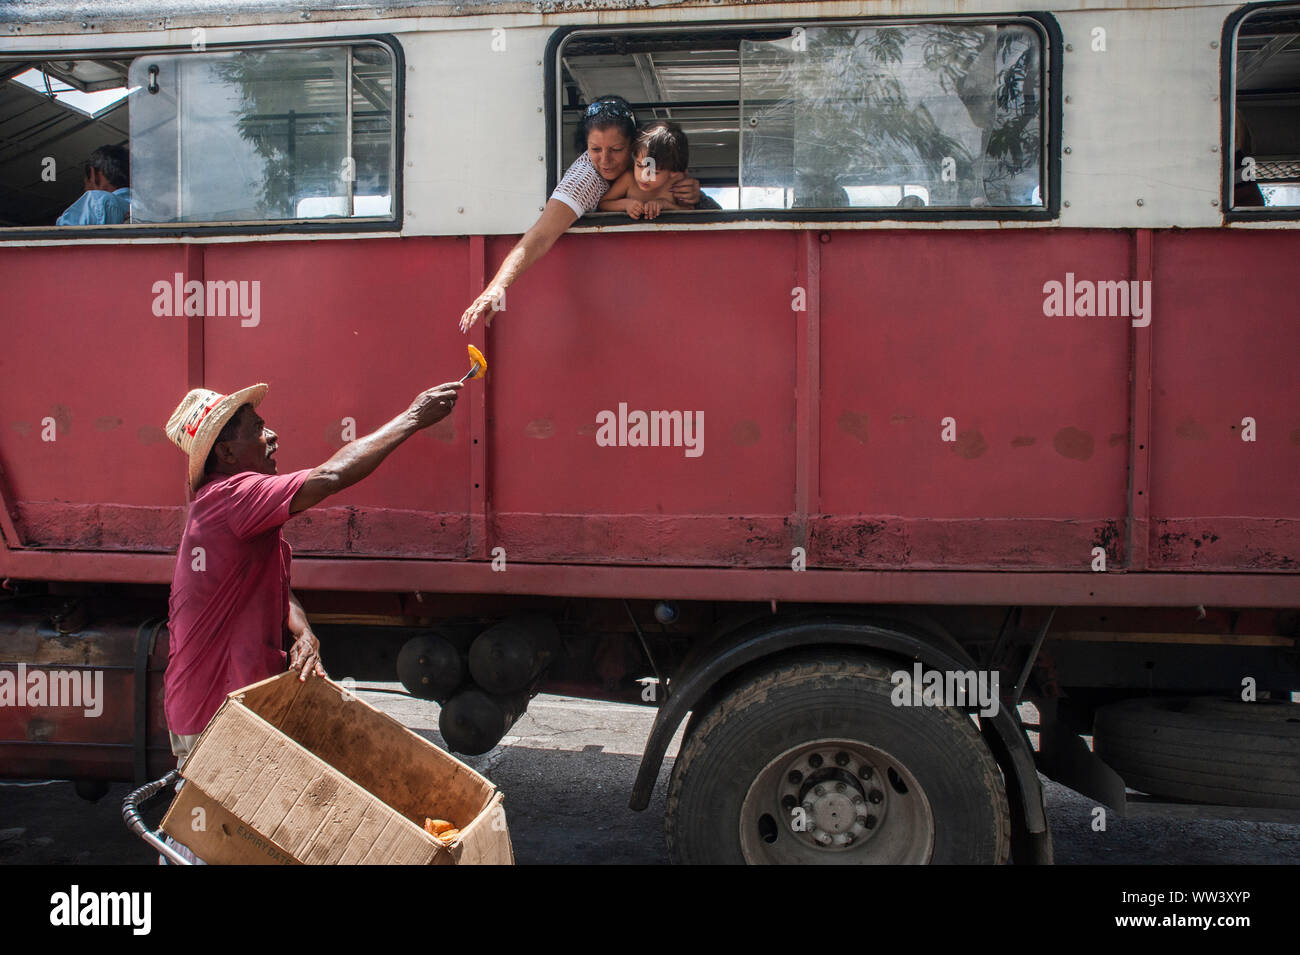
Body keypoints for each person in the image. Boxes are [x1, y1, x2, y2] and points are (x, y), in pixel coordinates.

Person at [161, 379, 462, 767]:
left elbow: (277, 590)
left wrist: (304, 633)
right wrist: (414, 417)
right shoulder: (234, 495)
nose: (272, 437)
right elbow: (329, 477)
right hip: (215, 713)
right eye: (257, 430)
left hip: (230, 707)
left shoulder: (231, 505)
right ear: (228, 452)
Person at [458, 96, 703, 332]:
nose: (605, 160)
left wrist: (695, 195)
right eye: (595, 149)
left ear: (633, 147)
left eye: (616, 149)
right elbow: (542, 234)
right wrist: (497, 287)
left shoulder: (649, 160)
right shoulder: (584, 178)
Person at [598, 121, 692, 219]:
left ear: (673, 173)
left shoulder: (677, 184)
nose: (644, 176)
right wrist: (626, 204)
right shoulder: (629, 180)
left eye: (654, 172)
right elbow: (603, 204)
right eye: (639, 165)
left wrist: (665, 205)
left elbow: (691, 212)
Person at [56, 144, 131, 225]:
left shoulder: (97, 201)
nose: (86, 190)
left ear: (95, 176)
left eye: (86, 185)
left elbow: (60, 234)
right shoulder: (142, 211)